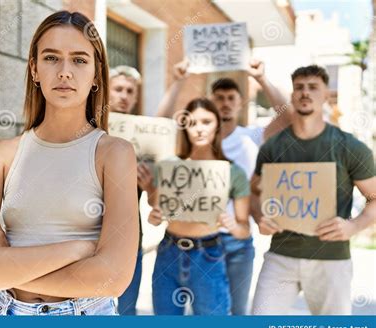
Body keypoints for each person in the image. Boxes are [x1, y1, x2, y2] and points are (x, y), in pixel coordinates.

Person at [0, 10, 139, 316]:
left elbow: (113, 278)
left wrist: (5, 262)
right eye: (51, 58)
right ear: (35, 69)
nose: (65, 71)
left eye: (79, 60)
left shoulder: (114, 154)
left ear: (95, 73)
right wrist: (76, 250)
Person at [155, 59, 295, 315]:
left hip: (236, 240)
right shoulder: (187, 148)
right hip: (191, 237)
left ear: (240, 102)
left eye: (232, 97)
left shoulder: (252, 137)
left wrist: (261, 79)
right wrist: (178, 81)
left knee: (235, 313)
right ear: (210, 101)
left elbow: (288, 119)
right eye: (219, 97)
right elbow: (157, 127)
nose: (226, 102)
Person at [251, 65, 376, 315]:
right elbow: (253, 191)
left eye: (313, 87)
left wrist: (354, 226)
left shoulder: (349, 147)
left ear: (326, 96)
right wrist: (259, 218)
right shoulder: (273, 147)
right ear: (292, 96)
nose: (305, 92)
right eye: (299, 87)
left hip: (331, 259)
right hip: (280, 255)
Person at [148, 98, 250, 315]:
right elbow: (156, 214)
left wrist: (232, 226)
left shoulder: (232, 172)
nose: (199, 129)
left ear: (217, 126)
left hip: (209, 256)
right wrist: (154, 217)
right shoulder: (169, 167)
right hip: (168, 252)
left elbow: (244, 230)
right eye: (193, 123)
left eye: (206, 122)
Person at [108, 65, 156, 315]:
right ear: (106, 92)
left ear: (136, 97)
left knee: (126, 311)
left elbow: (157, 197)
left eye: (130, 91)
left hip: (129, 237)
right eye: (118, 89)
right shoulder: (88, 130)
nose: (124, 96)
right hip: (89, 238)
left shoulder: (145, 138)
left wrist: (148, 185)